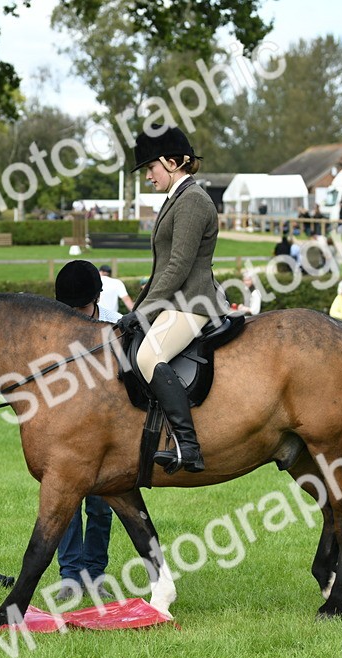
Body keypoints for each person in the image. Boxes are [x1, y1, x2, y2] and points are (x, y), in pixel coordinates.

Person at [117, 125, 223, 474]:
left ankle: (188, 446)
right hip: (174, 301)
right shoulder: (177, 198)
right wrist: (137, 310)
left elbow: (177, 266)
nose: (148, 176)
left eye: (151, 168)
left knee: (149, 356)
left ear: (172, 162)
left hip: (191, 303)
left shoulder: (192, 200)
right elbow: (162, 268)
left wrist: (146, 310)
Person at [52, 260, 121, 599]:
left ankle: (94, 573)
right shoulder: (54, 326)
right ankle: (69, 576)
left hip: (104, 431)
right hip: (66, 430)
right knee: (65, 504)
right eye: (71, 308)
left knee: (100, 505)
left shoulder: (117, 326)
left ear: (96, 298)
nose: (76, 314)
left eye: (81, 307)